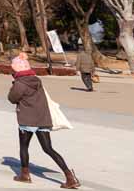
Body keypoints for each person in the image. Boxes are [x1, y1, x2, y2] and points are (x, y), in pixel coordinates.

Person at [7, 53, 80, 188]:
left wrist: (14, 83)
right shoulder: (37, 80)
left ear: (16, 69)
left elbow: (12, 98)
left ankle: (25, 175)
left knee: (24, 147)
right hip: (42, 119)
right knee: (48, 148)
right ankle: (70, 176)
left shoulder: (19, 83)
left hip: (27, 120)